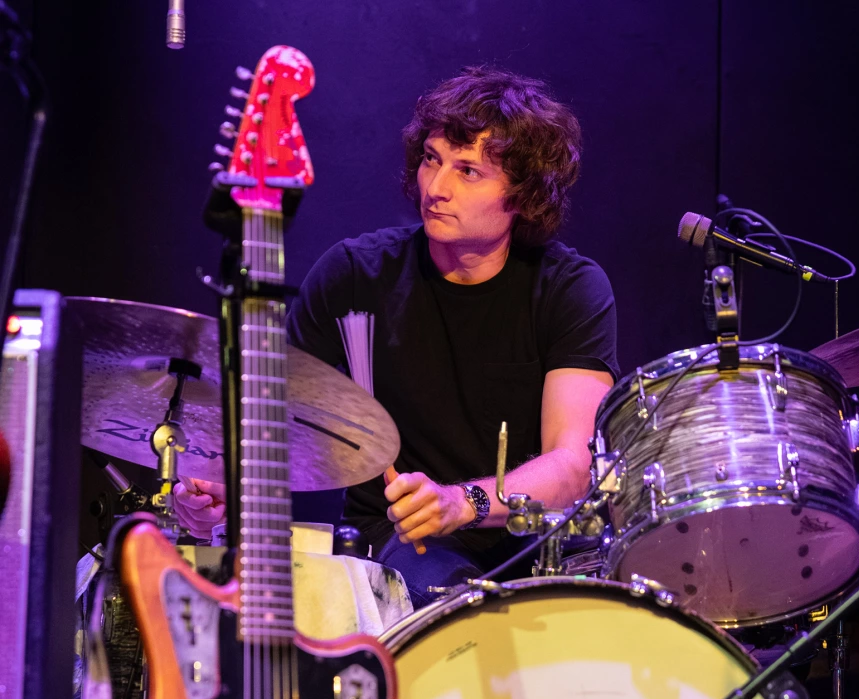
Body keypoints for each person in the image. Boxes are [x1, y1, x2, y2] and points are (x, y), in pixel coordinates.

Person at [178, 66, 619, 607]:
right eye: (432, 159)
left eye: (468, 171)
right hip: (402, 537)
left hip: (534, 538)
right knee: (449, 601)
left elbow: (573, 465)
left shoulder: (569, 288)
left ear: (524, 194)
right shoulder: (354, 276)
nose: (436, 188)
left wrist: (463, 502)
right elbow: (281, 428)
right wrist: (222, 486)